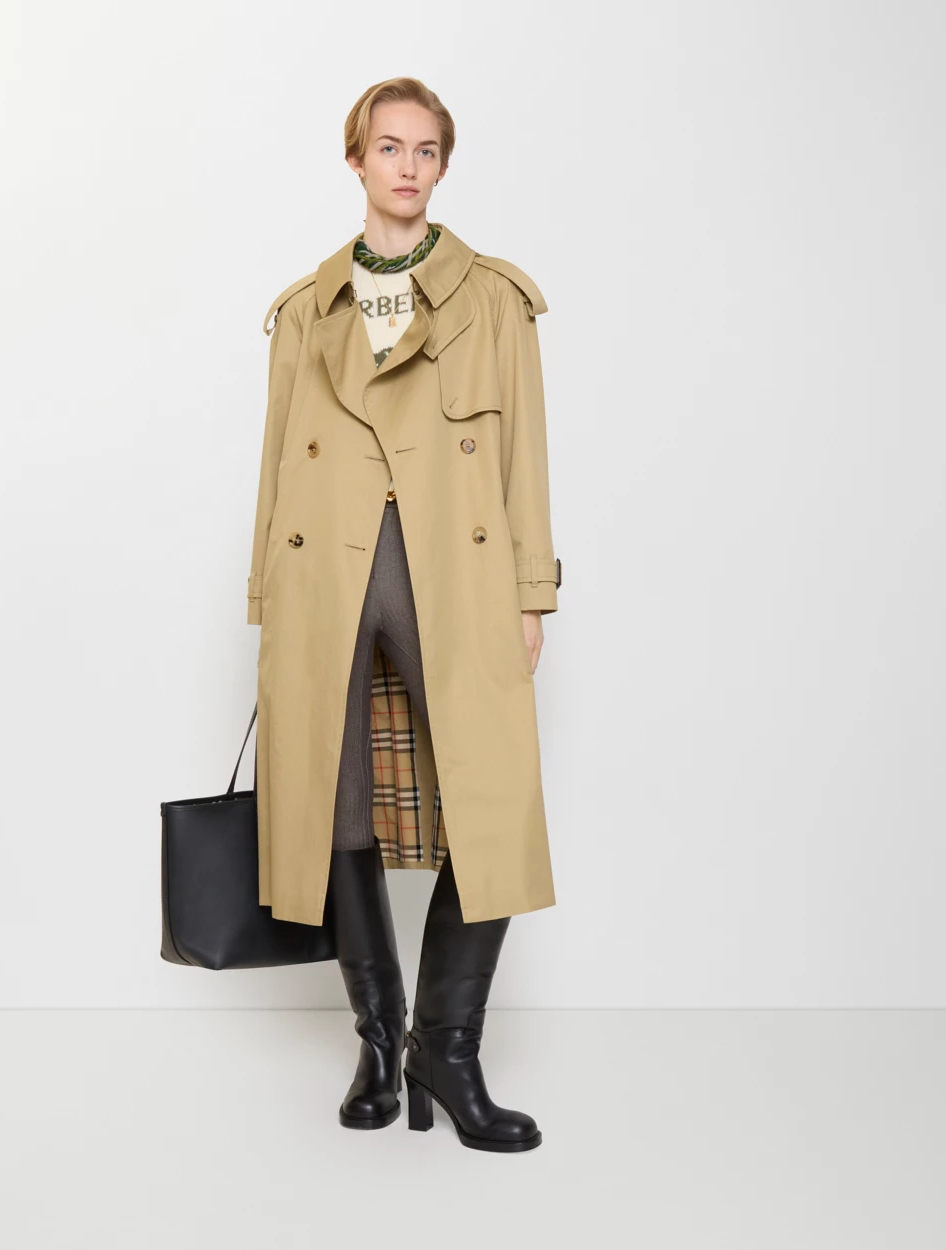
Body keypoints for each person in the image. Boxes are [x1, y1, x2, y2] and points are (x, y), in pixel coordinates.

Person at [247, 77, 561, 1153]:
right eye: (389, 147)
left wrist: (530, 590)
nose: (408, 166)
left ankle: (448, 1050)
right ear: (357, 161)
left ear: (442, 165)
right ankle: (380, 1043)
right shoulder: (307, 308)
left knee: (492, 803)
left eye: (426, 150)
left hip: (453, 577)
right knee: (331, 810)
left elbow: (523, 453)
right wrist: (266, 602)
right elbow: (275, 463)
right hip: (322, 583)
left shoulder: (493, 299)